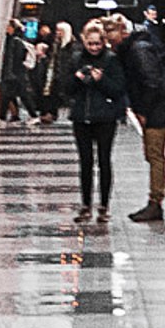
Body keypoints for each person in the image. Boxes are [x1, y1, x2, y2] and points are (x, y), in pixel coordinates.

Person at [66, 18, 128, 227]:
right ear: (84, 42)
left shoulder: (111, 60)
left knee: (103, 160)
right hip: (81, 117)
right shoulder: (76, 59)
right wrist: (76, 78)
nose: (94, 48)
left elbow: (119, 89)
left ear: (103, 43)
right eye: (90, 43)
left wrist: (101, 80)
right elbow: (65, 89)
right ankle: (85, 204)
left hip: (104, 117)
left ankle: (103, 206)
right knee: (85, 162)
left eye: (97, 44)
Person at [118, 6, 165, 225]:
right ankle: (154, 201)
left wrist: (142, 110)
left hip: (155, 111)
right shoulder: (137, 47)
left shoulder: (138, 50)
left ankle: (155, 202)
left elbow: (152, 82)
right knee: (153, 155)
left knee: (155, 155)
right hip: (155, 109)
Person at [37, 21, 74, 125]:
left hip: (60, 72)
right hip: (51, 70)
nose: (57, 33)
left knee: (55, 93)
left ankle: (51, 113)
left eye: (60, 31)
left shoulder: (69, 45)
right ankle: (47, 112)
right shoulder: (54, 43)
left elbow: (67, 61)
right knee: (47, 91)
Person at [0, 19, 28, 123]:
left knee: (7, 95)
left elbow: (13, 59)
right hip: (13, 73)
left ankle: (3, 116)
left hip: (12, 73)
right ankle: (13, 115)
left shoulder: (14, 41)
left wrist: (10, 73)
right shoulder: (14, 40)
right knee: (10, 95)